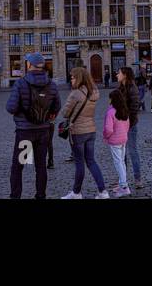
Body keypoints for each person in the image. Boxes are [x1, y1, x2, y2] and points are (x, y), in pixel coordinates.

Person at [6, 52, 60, 199]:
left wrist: (22, 112)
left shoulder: (21, 83)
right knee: (41, 166)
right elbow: (57, 107)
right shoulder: (52, 85)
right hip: (43, 132)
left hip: (25, 133)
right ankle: (40, 195)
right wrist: (46, 116)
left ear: (29, 65)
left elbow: (10, 108)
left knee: (19, 166)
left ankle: (16, 196)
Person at [61, 67, 109, 199]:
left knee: (79, 163)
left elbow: (65, 113)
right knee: (91, 161)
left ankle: (76, 193)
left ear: (78, 78)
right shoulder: (94, 92)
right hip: (91, 130)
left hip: (78, 132)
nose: (71, 79)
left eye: (72, 77)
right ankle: (103, 191)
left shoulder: (75, 93)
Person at [118, 66, 144, 190]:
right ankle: (123, 179)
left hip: (130, 125)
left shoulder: (132, 88)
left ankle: (137, 178)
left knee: (132, 151)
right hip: (121, 124)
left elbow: (135, 107)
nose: (117, 75)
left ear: (125, 75)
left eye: (119, 73)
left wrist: (129, 122)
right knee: (121, 153)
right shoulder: (121, 88)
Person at [103, 86, 131, 196]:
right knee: (122, 162)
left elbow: (108, 129)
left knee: (118, 162)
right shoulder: (124, 111)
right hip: (123, 139)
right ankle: (121, 183)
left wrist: (106, 136)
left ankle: (124, 186)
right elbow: (127, 125)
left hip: (114, 140)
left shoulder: (110, 112)